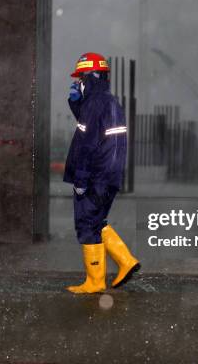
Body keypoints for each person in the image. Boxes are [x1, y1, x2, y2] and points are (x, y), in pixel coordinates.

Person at [63, 52, 141, 294]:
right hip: (109, 176)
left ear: (92, 76)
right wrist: (76, 103)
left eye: (81, 78)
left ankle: (95, 281)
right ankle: (126, 261)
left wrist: (81, 179)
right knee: (97, 221)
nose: (79, 83)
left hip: (96, 176)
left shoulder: (96, 103)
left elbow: (86, 143)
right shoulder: (106, 101)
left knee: (87, 224)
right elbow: (94, 128)